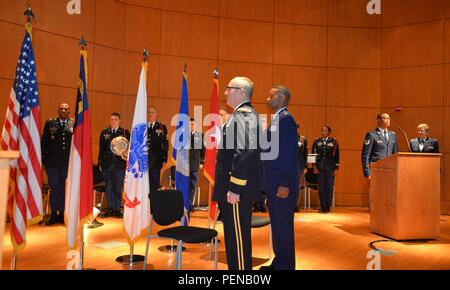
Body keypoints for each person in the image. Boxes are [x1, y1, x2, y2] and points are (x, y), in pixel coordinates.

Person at [212, 77, 261, 270]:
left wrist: (235, 187)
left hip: (236, 191)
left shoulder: (245, 115)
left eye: (228, 89)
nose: (225, 93)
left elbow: (245, 152)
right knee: (232, 239)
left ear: (241, 91)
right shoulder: (241, 115)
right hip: (233, 189)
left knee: (238, 242)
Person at [261, 85, 299, 270]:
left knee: (282, 226)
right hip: (274, 183)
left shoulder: (286, 120)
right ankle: (280, 263)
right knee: (278, 225)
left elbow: (288, 154)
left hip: (281, 184)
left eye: (271, 94)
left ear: (282, 97)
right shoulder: (277, 119)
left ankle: (285, 266)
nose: (268, 98)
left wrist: (284, 183)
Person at [41, 103, 73, 225]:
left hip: (67, 164)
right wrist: (42, 159)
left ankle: (63, 213)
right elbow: (44, 142)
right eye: (61, 109)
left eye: (66, 109)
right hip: (52, 163)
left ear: (69, 111)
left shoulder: (73, 123)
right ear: (58, 110)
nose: (63, 110)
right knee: (54, 188)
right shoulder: (50, 123)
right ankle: (54, 214)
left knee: (65, 189)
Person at [98, 113, 130, 218]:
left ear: (119, 120)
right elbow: (101, 149)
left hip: (119, 165)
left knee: (118, 187)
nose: (113, 121)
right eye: (111, 119)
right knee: (109, 187)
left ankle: (117, 208)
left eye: (115, 119)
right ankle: (110, 208)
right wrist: (100, 162)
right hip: (107, 164)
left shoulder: (125, 132)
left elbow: (129, 149)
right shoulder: (104, 132)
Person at [361, 113, 399, 179]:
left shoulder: (393, 135)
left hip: (390, 170)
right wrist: (367, 172)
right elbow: (365, 155)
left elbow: (395, 154)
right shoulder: (371, 134)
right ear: (378, 120)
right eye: (385, 118)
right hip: (376, 169)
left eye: (389, 118)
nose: (388, 120)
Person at [312, 126, 339, 213]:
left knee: (329, 187)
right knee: (321, 187)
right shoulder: (316, 141)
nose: (323, 132)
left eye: (325, 130)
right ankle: (322, 205)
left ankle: (328, 206)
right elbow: (313, 155)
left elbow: (337, 155)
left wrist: (336, 168)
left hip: (330, 167)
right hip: (320, 168)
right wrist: (314, 166)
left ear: (329, 132)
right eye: (322, 130)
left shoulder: (334, 142)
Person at [147, 107, 168, 193]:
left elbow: (165, 143)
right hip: (143, 161)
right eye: (149, 112)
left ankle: (153, 205)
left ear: (156, 115)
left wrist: (164, 158)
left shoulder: (161, 127)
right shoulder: (142, 126)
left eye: (152, 112)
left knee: (154, 184)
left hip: (156, 161)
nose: (150, 114)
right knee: (143, 184)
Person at [188, 118, 205, 212]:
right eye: (190, 124)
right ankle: (184, 204)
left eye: (193, 124)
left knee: (192, 186)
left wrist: (202, 162)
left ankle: (190, 205)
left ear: (195, 125)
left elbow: (203, 150)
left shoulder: (200, 136)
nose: (191, 126)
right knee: (185, 186)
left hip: (195, 164)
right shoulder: (184, 136)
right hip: (185, 165)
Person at [295, 125, 308, 212]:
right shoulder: (286, 138)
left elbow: (305, 154)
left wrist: (305, 166)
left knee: (297, 186)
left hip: (299, 165)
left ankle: (295, 204)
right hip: (288, 166)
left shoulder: (303, 139)